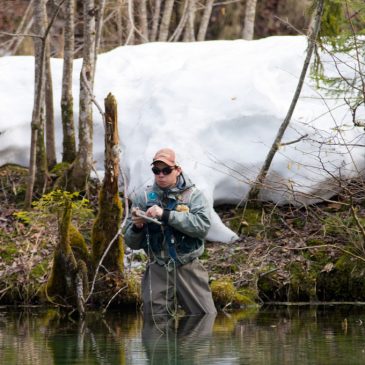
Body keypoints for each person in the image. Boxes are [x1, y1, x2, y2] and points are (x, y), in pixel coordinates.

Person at [124, 147, 217, 316]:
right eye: (156, 170)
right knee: (154, 323)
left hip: (187, 265)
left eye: (166, 170)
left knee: (205, 317)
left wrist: (166, 215)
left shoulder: (194, 196)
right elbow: (130, 242)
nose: (161, 175)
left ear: (178, 170)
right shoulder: (142, 198)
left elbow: (202, 227)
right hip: (157, 267)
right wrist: (137, 227)